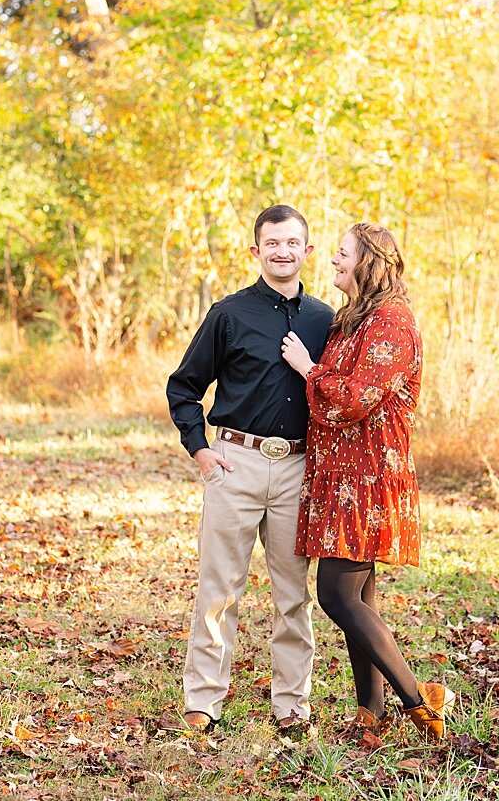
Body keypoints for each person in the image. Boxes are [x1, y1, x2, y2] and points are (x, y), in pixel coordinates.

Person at [166, 203, 334, 741]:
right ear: (256, 250)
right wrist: (200, 450)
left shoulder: (326, 320)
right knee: (219, 587)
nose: (282, 251)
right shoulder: (228, 314)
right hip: (235, 463)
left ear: (307, 250)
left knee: (293, 595)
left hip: (298, 469)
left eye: (292, 243)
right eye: (272, 243)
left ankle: (292, 705)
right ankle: (203, 700)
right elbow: (184, 386)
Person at [279, 221, 450, 743]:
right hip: (339, 474)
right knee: (360, 595)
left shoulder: (393, 321)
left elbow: (358, 397)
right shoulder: (351, 320)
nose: (333, 260)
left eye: (343, 254)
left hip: (370, 476)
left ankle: (420, 701)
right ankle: (369, 711)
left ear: (369, 262)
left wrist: (309, 370)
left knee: (336, 594)